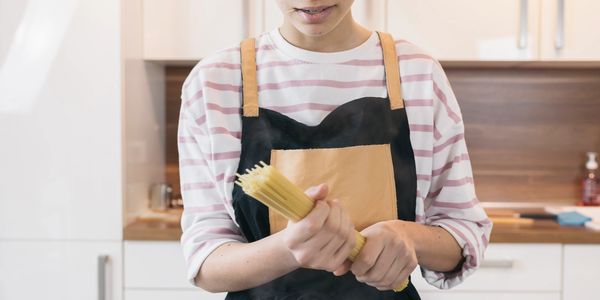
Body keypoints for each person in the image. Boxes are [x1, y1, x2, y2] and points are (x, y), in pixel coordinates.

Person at [177, 1, 492, 299]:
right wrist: (289, 249)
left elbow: (463, 230)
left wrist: (409, 237)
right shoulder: (215, 82)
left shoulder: (417, 74)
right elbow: (205, 261)